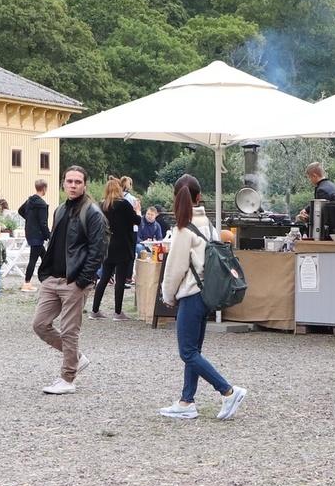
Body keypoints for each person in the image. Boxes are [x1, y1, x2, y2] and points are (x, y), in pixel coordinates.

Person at [157, 174, 249, 420]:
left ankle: (228, 391)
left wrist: (167, 296)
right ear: (199, 197)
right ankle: (187, 401)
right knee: (194, 350)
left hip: (190, 294)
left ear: (176, 198)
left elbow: (174, 269)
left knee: (187, 352)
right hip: (207, 294)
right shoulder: (207, 225)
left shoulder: (182, 229)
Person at [32, 165, 106, 394]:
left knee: (69, 330)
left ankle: (68, 378)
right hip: (53, 278)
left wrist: (83, 280)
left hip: (74, 281)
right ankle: (76, 357)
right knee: (40, 325)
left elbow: (98, 249)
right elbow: (55, 243)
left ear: (85, 185)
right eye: (69, 181)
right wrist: (45, 274)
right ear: (63, 183)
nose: (73, 185)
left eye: (77, 182)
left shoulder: (93, 213)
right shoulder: (60, 210)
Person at [91, 177, 139, 319]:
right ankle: (117, 312)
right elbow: (137, 221)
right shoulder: (124, 204)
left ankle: (95, 310)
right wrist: (137, 210)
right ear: (119, 189)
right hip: (123, 244)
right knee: (120, 279)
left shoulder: (101, 205)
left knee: (105, 277)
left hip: (107, 245)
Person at [19, 179, 52, 290]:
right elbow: (43, 222)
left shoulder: (29, 201)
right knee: (33, 259)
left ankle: (49, 277)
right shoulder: (42, 204)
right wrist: (49, 235)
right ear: (44, 188)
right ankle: (27, 283)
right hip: (38, 234)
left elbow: (20, 210)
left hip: (30, 232)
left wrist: (30, 220)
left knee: (45, 256)